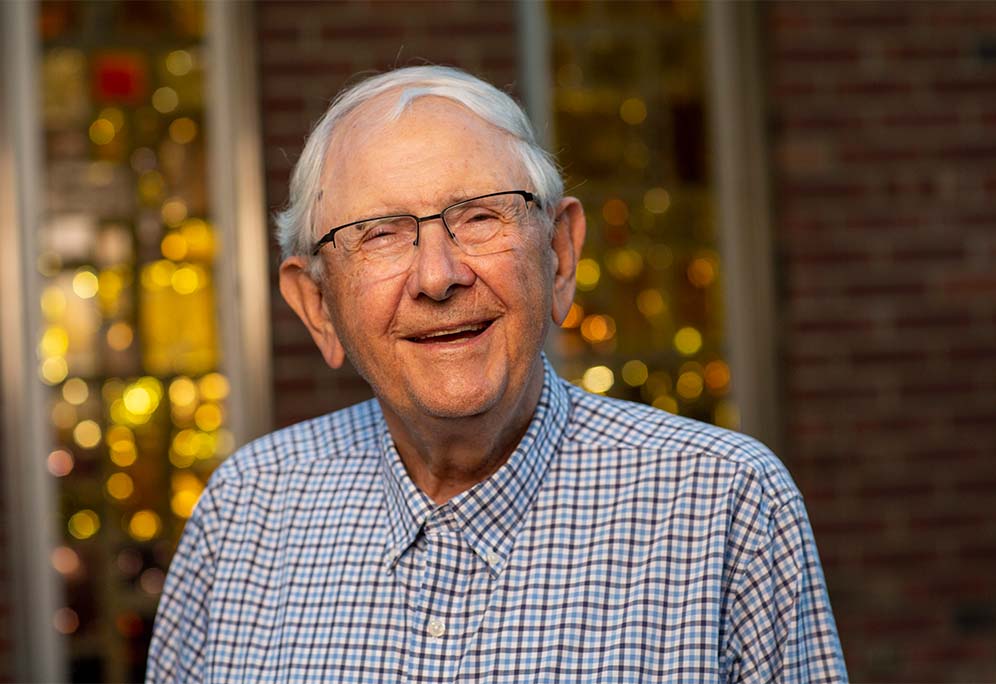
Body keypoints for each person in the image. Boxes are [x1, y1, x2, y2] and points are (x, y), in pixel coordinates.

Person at [147, 65, 847, 683]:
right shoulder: (243, 513)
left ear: (561, 256)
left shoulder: (724, 504)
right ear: (317, 306)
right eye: (381, 233)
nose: (438, 275)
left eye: (479, 217)